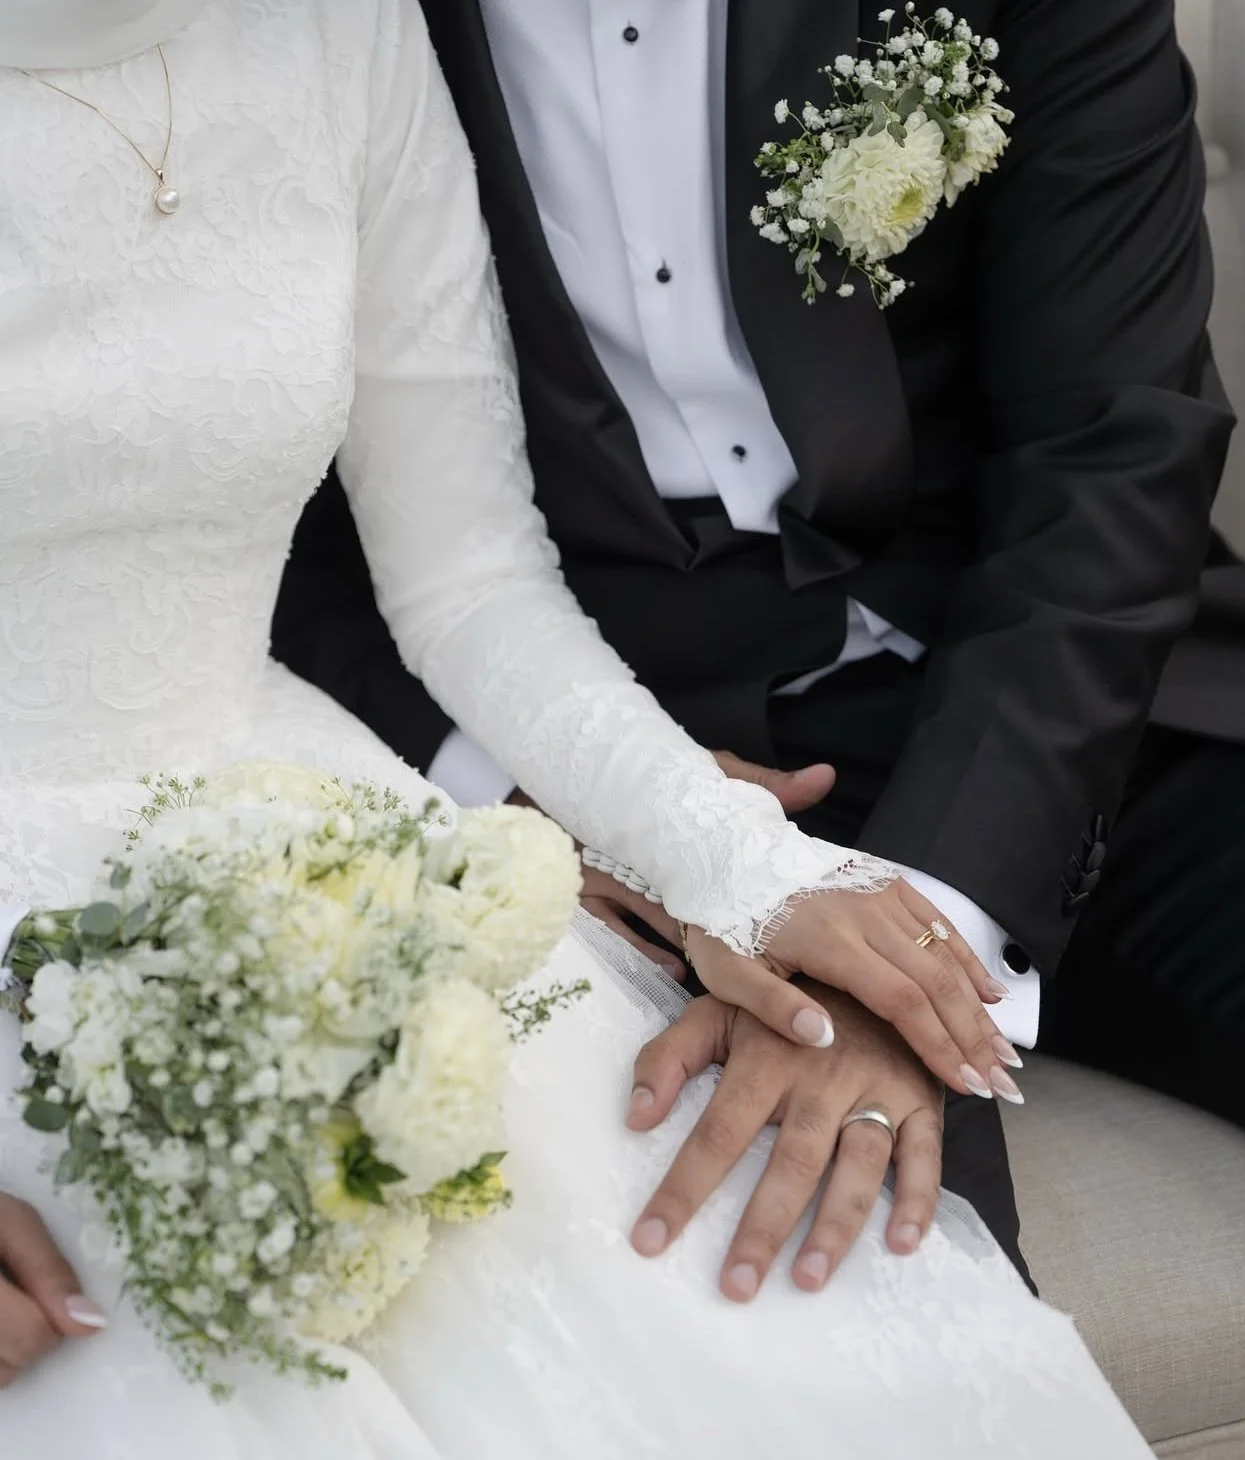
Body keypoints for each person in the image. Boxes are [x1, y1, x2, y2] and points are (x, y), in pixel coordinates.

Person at [0, 0, 1154, 1453]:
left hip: (304, 830)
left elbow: (467, 578)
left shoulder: (341, 31)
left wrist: (740, 866)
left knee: (783, 1341)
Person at [277, 0, 1245, 1233]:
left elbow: (1114, 445)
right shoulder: (305, 28)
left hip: (1070, 697)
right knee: (840, 1280)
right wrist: (525, 796)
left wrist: (919, 936)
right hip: (626, 768)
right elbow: (264, 509)